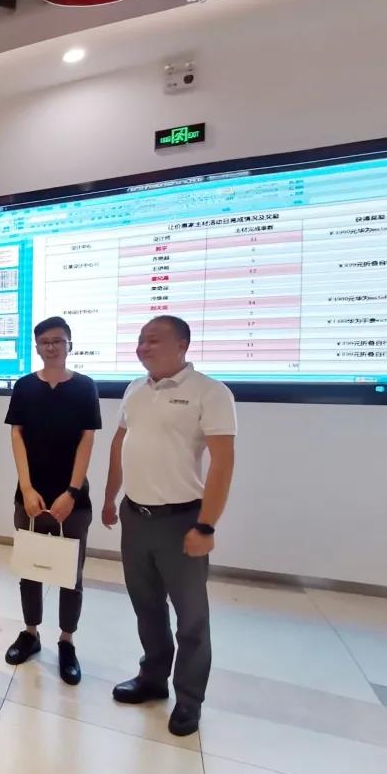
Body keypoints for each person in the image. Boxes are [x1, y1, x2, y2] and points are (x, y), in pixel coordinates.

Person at [102, 315, 236, 737]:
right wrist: (109, 497)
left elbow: (223, 462)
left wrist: (207, 526)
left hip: (182, 521)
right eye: (141, 340)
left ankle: (189, 699)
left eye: (154, 340)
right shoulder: (134, 389)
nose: (143, 347)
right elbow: (120, 444)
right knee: (147, 606)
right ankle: (153, 678)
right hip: (135, 517)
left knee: (191, 618)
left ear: (182, 345)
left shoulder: (210, 393)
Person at [3, 316, 102, 684]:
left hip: (73, 500)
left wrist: (72, 492)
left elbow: (87, 440)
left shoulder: (85, 387)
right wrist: (27, 488)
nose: (51, 346)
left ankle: (66, 640)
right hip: (30, 496)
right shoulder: (25, 387)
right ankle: (30, 633)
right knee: (30, 566)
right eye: (44, 341)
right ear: (37, 347)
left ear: (69, 345)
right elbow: (17, 435)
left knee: (70, 574)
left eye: (58, 340)